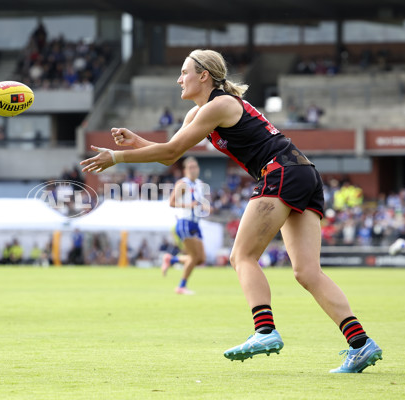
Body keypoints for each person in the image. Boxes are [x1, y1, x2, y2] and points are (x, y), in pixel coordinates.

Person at [80, 49, 382, 373]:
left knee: (241, 256)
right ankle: (361, 343)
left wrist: (117, 158)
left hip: (280, 172)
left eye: (184, 72)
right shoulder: (199, 114)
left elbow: (170, 150)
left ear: (204, 76)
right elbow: (171, 155)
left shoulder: (220, 105)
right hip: (302, 172)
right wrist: (136, 141)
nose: (178, 79)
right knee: (307, 272)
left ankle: (264, 331)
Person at [161, 157, 209, 295]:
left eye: (196, 167)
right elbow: (171, 202)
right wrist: (189, 205)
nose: (194, 170)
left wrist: (205, 206)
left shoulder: (199, 184)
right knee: (193, 256)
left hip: (196, 223)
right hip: (184, 222)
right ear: (185, 170)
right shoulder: (183, 184)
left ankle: (171, 259)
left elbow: (199, 202)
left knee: (201, 259)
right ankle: (181, 286)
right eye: (191, 167)